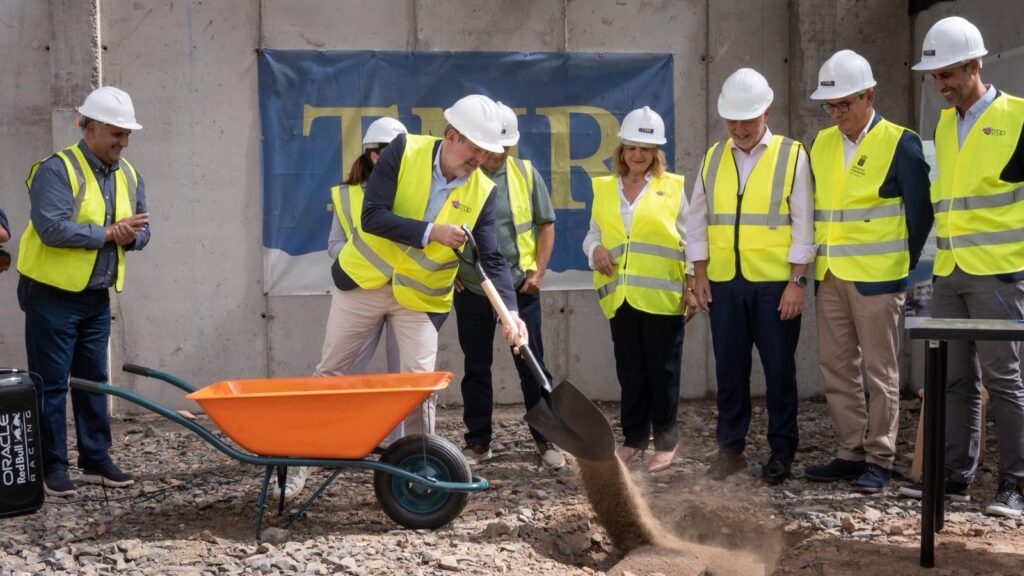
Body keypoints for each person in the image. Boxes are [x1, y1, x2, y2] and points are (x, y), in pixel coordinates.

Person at [324, 94, 527, 439]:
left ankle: (418, 475)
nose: (481, 159)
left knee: (421, 390)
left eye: (486, 152)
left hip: (418, 300)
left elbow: (491, 259)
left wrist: (510, 312)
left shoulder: (484, 191)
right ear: (452, 137)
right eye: (475, 149)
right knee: (331, 374)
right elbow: (372, 217)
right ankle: (303, 459)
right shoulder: (403, 151)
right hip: (363, 284)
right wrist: (432, 232)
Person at [901, 16, 1024, 518]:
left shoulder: (1018, 118)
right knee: (953, 380)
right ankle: (954, 475)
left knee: (1005, 380)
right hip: (950, 273)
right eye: (934, 77)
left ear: (975, 66)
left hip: (998, 274)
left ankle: (1015, 485)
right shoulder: (946, 124)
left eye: (947, 74)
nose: (940, 85)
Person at [802, 51, 933, 493]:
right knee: (836, 367)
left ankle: (880, 456)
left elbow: (921, 214)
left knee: (880, 371)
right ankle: (849, 451)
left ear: (869, 96)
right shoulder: (820, 143)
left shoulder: (901, 142)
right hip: (832, 276)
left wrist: (899, 265)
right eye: (830, 106)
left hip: (879, 280)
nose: (836, 114)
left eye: (844, 104)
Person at [16, 86, 150, 497]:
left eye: (127, 135)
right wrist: (110, 233)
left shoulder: (128, 174)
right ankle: (52, 466)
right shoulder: (56, 170)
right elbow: (51, 228)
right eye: (116, 133)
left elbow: (142, 234)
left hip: (96, 295)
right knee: (51, 384)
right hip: (52, 295)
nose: (123, 143)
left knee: (93, 380)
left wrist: (129, 238)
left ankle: (95, 458)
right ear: (89, 129)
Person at [685, 68, 814, 484]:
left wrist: (797, 281)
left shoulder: (792, 154)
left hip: (775, 285)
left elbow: (804, 222)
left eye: (747, 119)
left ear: (767, 112)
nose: (739, 128)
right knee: (730, 370)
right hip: (724, 282)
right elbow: (697, 220)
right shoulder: (712, 156)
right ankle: (730, 450)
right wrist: (698, 273)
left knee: (779, 371)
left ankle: (781, 450)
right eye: (732, 120)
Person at [277, 117, 408, 501]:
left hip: (406, 295)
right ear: (374, 154)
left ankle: (404, 462)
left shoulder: (415, 192)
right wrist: (362, 261)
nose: (401, 161)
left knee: (407, 383)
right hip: (359, 294)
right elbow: (335, 244)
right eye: (392, 154)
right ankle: (302, 457)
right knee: (334, 373)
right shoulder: (348, 195)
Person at [454, 102, 564, 469]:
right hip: (472, 289)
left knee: (532, 365)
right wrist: (449, 271)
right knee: (476, 366)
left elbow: (546, 223)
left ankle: (547, 439)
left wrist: (540, 273)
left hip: (519, 289)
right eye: (493, 147)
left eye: (506, 147)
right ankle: (478, 442)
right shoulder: (462, 175)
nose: (500, 153)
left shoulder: (526, 174)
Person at [583, 106, 689, 474]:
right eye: (632, 147)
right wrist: (594, 249)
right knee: (630, 370)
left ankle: (665, 442)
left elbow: (691, 240)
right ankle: (633, 440)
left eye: (646, 148)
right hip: (621, 296)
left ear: (656, 152)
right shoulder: (605, 188)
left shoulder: (672, 188)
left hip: (662, 297)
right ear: (622, 150)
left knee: (662, 370)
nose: (638, 154)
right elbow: (593, 233)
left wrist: (692, 286)